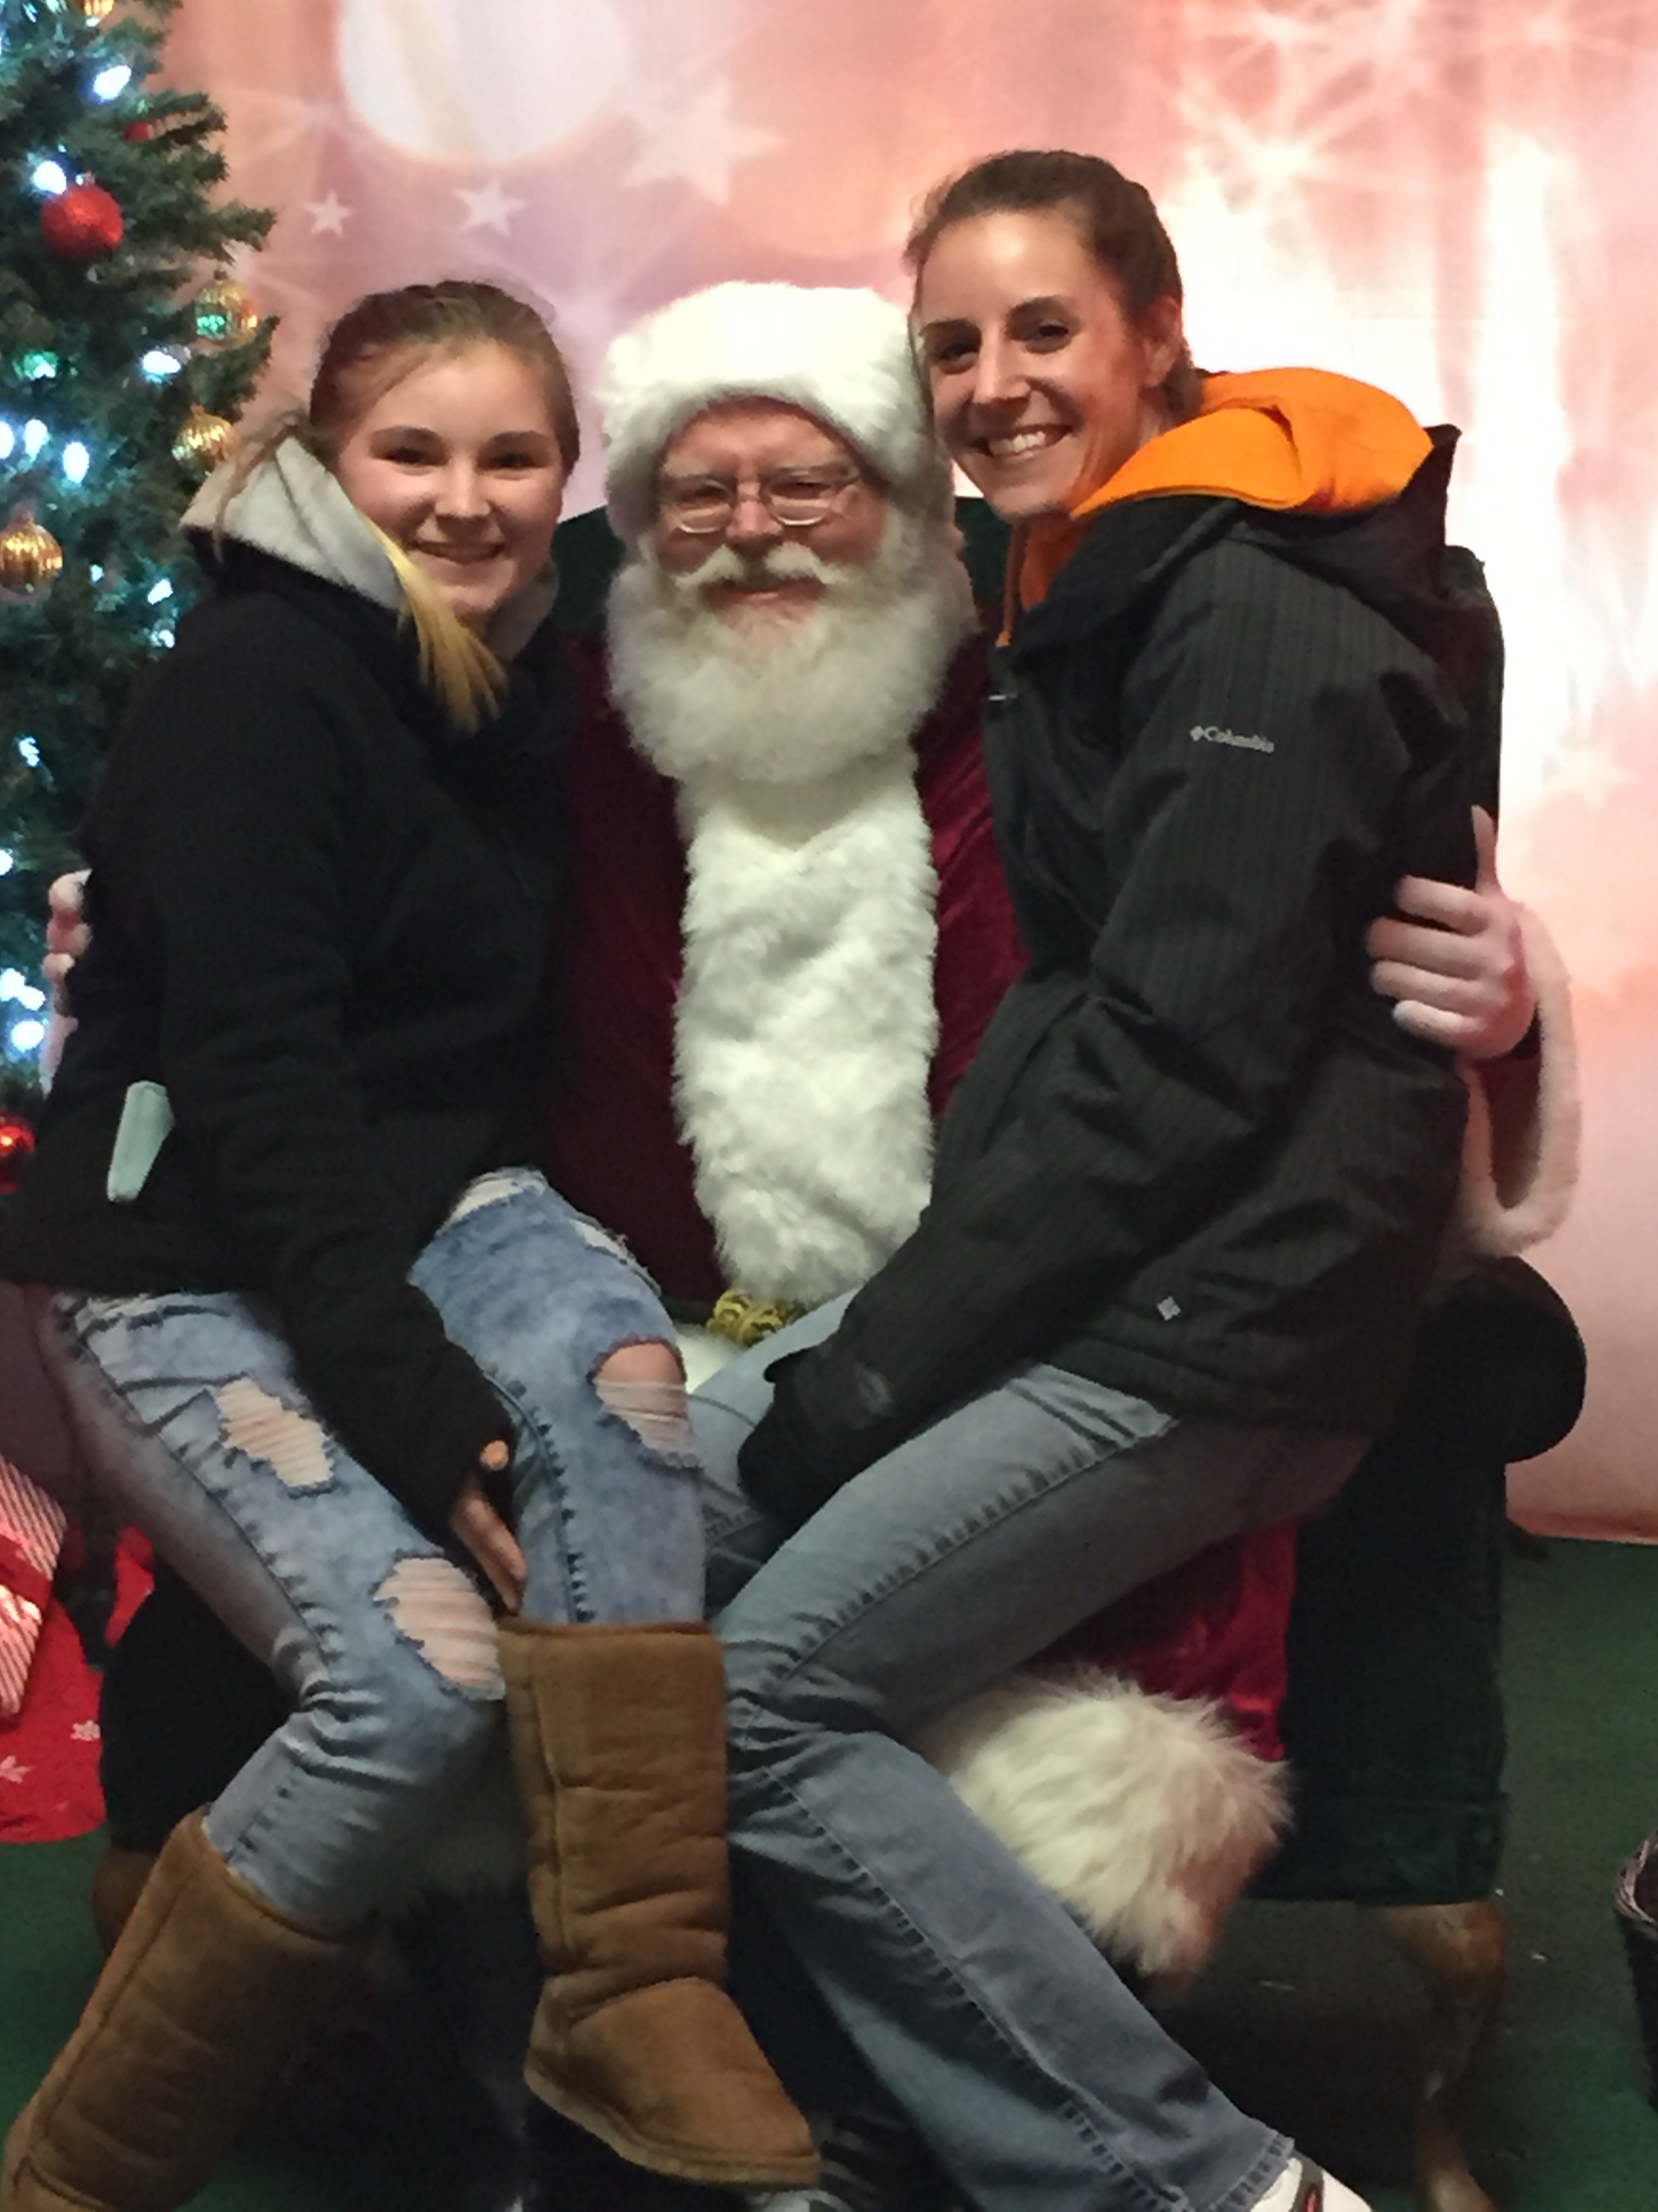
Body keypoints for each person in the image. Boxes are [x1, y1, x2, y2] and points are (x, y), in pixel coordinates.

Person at [663, 155, 1525, 2212]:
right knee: (643, 1513)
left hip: (1218, 1326)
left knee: (763, 1705)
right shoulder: (1090, 577)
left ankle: (1199, 2182)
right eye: (952, 345)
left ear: (1156, 333)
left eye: (1043, 328)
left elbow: (1176, 1066)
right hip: (1116, 1274)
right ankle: (819, 2111)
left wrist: (876, 1374)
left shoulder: (1249, 604)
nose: (996, 383)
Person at [0, 280, 816, 2212]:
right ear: (323, 462)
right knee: (421, 1680)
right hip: (189, 1240)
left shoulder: (519, 674)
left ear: (565, 481)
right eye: (412, 453)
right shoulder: (265, 681)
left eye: (512, 457)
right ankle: (90, 2166)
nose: (465, 498)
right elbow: (259, 1088)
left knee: (629, 1384)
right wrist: (413, 1406)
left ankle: (627, 1988)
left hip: (440, 1197)